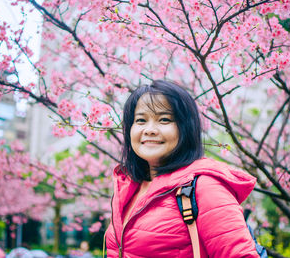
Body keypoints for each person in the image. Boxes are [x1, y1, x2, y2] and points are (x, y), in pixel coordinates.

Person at [105, 80, 259, 257]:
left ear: (185, 128)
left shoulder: (204, 186)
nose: (150, 130)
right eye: (140, 120)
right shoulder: (130, 188)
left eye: (164, 119)